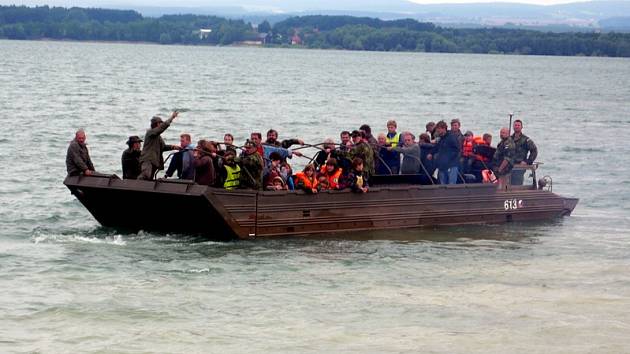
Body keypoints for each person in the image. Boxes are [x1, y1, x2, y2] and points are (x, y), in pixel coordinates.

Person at [138, 111, 181, 180]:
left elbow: (163, 147)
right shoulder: (150, 132)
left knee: (149, 180)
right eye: (160, 123)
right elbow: (162, 128)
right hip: (148, 160)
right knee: (145, 176)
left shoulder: (158, 137)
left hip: (154, 162)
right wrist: (171, 118)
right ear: (157, 124)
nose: (161, 125)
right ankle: (136, 186)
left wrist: (173, 147)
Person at [429, 120, 461, 185]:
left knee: (451, 184)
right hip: (442, 165)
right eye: (437, 130)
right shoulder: (441, 138)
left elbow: (457, 150)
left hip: (451, 165)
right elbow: (437, 147)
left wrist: (448, 159)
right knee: (442, 184)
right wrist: (431, 153)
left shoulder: (451, 137)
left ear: (443, 129)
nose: (437, 131)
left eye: (438, 130)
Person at [511, 119, 538, 185]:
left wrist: (527, 161)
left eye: (518, 125)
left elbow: (534, 150)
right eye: (515, 125)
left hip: (520, 167)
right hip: (510, 166)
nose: (517, 126)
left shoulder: (526, 140)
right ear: (513, 127)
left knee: (517, 184)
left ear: (521, 127)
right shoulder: (509, 139)